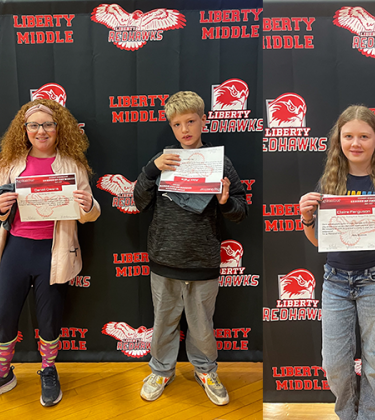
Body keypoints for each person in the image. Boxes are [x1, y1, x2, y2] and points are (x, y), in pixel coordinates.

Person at [0, 99, 101, 408]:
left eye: (48, 124)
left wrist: (87, 206)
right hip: (16, 247)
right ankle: (2, 374)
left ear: (59, 128)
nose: (41, 131)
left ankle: (49, 370)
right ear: (24, 129)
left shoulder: (73, 165)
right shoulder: (8, 163)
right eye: (34, 125)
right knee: (3, 315)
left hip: (54, 251)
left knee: (50, 317)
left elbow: (92, 212)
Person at [297, 105, 375, 420]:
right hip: (336, 281)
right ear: (338, 140)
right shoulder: (328, 183)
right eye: (348, 136)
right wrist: (307, 219)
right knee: (334, 364)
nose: (356, 143)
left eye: (364, 136)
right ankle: (347, 415)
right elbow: (320, 242)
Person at [134, 91, 247, 406]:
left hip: (203, 259)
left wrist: (226, 202)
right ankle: (160, 369)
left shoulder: (219, 162)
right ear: (171, 127)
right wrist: (151, 170)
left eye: (191, 121)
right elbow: (137, 201)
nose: (185, 129)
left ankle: (206, 370)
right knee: (164, 320)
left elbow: (241, 211)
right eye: (177, 124)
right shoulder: (163, 159)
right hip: (164, 257)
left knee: (201, 324)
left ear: (204, 120)